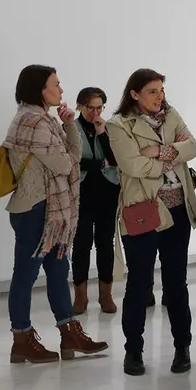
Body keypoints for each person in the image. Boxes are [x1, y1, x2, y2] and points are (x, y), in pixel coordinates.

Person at [2, 65, 108, 363]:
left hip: (50, 212)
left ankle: (69, 334)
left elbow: (71, 158)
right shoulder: (34, 122)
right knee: (25, 275)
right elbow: (68, 165)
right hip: (37, 209)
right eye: (56, 84)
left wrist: (68, 125)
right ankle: (21, 338)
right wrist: (69, 136)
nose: (61, 90)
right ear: (40, 89)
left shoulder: (43, 120)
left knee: (59, 271)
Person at [106, 68, 196, 376]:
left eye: (161, 90)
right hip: (143, 210)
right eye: (152, 91)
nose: (159, 96)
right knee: (139, 284)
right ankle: (133, 350)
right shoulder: (118, 125)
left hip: (178, 213)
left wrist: (158, 151)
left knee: (177, 284)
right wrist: (172, 156)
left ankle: (182, 347)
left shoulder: (171, 115)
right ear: (134, 94)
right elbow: (131, 165)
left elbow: (192, 146)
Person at [71, 87, 120, 315]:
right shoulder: (70, 128)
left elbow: (116, 160)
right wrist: (99, 164)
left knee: (105, 244)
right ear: (80, 106)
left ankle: (105, 295)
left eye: (99, 107)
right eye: (90, 107)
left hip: (107, 192)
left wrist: (102, 134)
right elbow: (72, 161)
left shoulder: (108, 128)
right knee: (81, 245)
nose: (95, 112)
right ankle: (80, 297)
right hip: (80, 193)